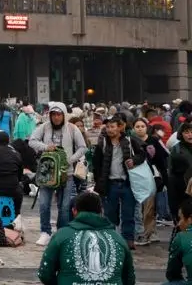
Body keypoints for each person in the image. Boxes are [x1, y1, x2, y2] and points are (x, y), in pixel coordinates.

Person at [37, 191, 135, 285]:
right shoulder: (118, 238)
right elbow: (129, 278)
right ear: (102, 211)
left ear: (74, 211)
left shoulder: (61, 235)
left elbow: (45, 273)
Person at [28, 101, 86, 245]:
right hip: (47, 172)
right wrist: (45, 147)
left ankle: (62, 232)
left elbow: (82, 147)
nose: (56, 117)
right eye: (53, 114)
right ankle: (45, 232)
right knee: (44, 204)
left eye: (59, 114)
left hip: (67, 173)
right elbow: (32, 141)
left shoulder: (72, 128)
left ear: (64, 115)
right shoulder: (44, 127)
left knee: (64, 206)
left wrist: (70, 159)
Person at [93, 114, 147, 249]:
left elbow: (142, 154)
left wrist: (134, 160)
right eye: (107, 127)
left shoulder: (130, 141)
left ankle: (128, 239)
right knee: (110, 213)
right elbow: (96, 165)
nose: (109, 130)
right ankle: (111, 238)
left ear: (120, 127)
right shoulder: (102, 143)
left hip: (127, 183)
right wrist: (99, 183)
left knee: (128, 213)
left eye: (112, 127)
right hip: (110, 184)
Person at [165, 199, 192, 285]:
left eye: (180, 218)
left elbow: (172, 273)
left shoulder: (182, 237)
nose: (179, 224)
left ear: (190, 219)